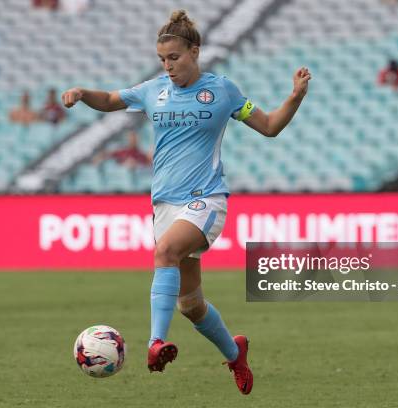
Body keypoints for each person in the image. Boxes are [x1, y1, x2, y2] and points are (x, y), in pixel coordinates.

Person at [61, 10, 310, 395]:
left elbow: (269, 126)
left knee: (166, 252)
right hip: (164, 205)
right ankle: (235, 353)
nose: (168, 66)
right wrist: (82, 93)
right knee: (190, 305)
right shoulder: (153, 91)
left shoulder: (223, 91)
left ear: (195, 51)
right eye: (163, 59)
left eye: (174, 58)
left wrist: (294, 98)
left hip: (205, 200)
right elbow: (111, 99)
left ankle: (154, 343)